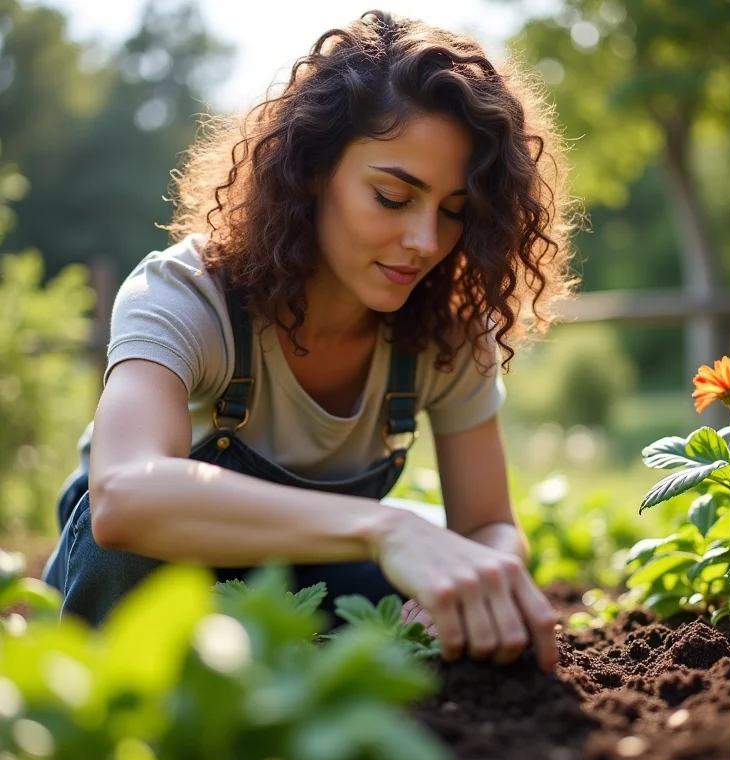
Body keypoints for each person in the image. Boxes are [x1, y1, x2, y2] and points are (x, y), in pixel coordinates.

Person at [42, 9, 576, 671]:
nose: (426, 241)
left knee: (448, 560)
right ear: (313, 170)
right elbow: (124, 498)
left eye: (455, 211)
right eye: (392, 196)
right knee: (123, 542)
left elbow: (490, 524)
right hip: (153, 585)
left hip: (311, 577)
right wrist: (387, 527)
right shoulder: (187, 295)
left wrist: (475, 571)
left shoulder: (448, 329)